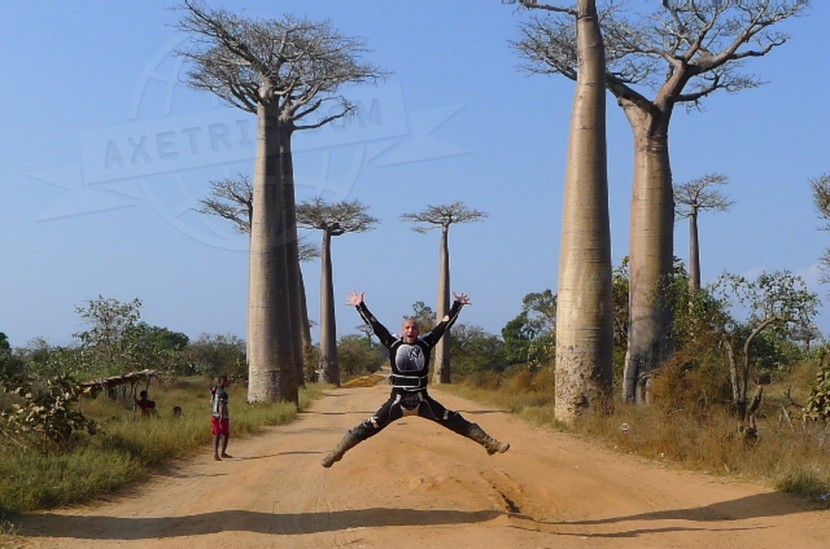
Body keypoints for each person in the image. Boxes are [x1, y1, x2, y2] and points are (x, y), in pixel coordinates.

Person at [321, 290, 510, 468]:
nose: (410, 330)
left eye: (414, 328)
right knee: (369, 426)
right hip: (397, 401)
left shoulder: (426, 344)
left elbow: (444, 325)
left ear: (418, 331)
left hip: (422, 401)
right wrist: (360, 306)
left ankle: (489, 443)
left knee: (455, 420)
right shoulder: (392, 343)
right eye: (407, 327)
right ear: (403, 330)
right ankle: (338, 452)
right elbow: (375, 325)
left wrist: (456, 305)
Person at [211, 375, 231, 461]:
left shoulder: (215, 390)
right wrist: (222, 417)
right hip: (221, 416)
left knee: (218, 434)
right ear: (223, 381)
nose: (227, 382)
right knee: (223, 434)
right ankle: (220, 453)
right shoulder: (224, 394)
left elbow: (212, 400)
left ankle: (217, 453)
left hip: (214, 414)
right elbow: (222, 405)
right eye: (226, 381)